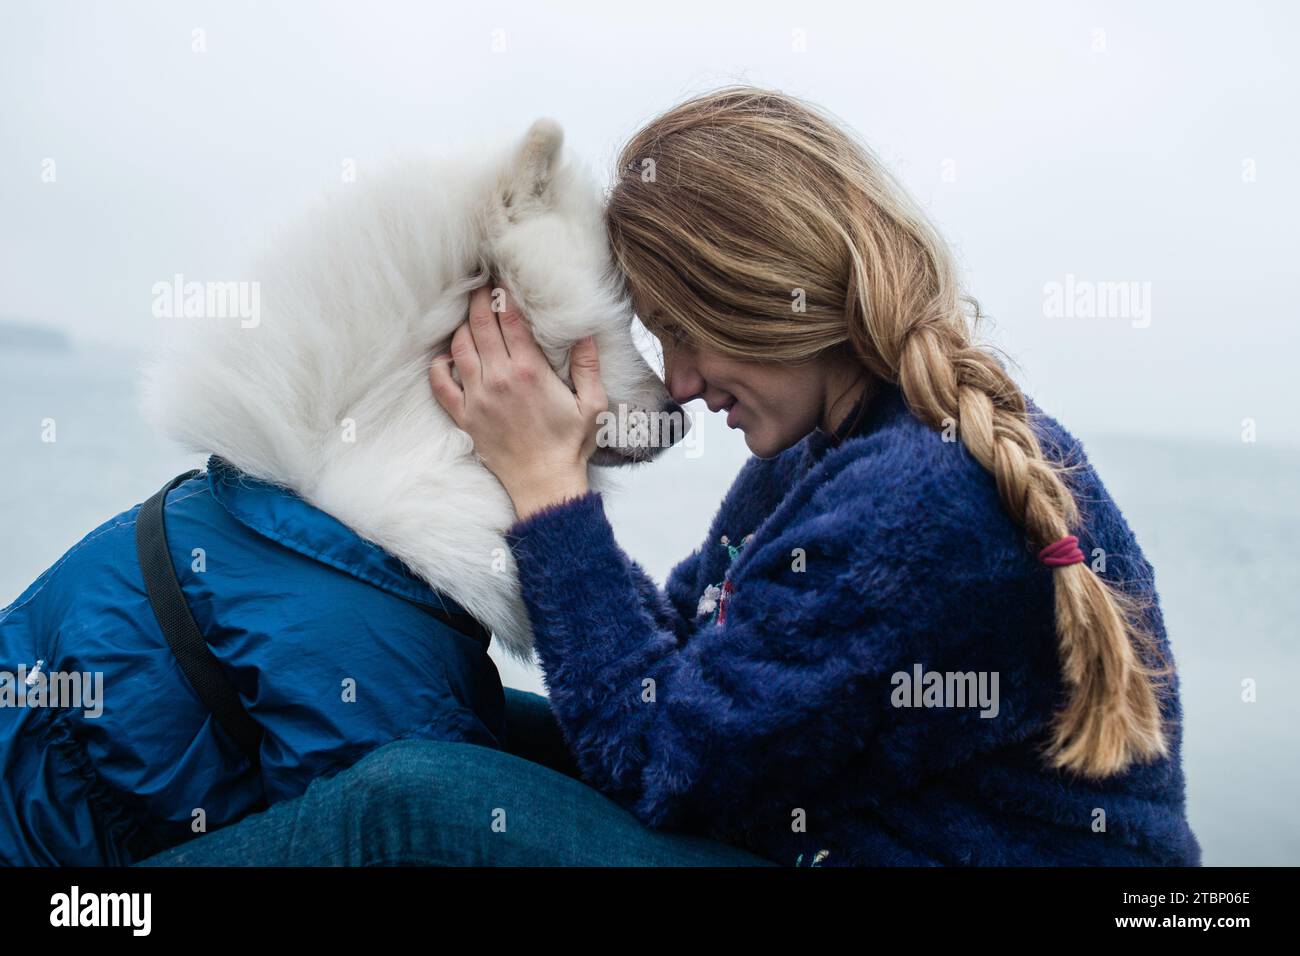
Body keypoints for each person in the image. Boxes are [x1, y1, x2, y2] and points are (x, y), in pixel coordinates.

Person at [142, 86, 1200, 866]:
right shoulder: (828, 457)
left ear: (766, 291)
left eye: (686, 335)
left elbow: (663, 759)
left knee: (407, 804)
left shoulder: (916, 505)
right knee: (445, 713)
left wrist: (548, 492)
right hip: (825, 837)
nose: (681, 384)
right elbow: (678, 678)